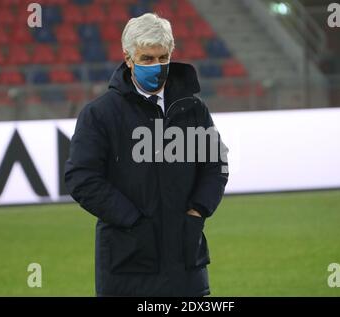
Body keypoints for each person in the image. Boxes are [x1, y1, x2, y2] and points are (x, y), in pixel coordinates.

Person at [64, 13, 229, 297]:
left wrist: (198, 210)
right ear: (128, 59)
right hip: (127, 267)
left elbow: (216, 165)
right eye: (147, 59)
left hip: (186, 264)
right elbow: (81, 178)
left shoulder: (193, 109)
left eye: (163, 58)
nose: (157, 66)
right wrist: (134, 221)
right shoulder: (100, 114)